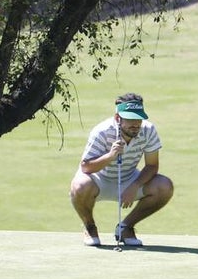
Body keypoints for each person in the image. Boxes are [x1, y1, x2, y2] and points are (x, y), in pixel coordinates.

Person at [70, 93, 174, 247]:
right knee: (79, 186)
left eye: (138, 119)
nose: (136, 124)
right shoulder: (102, 131)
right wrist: (111, 156)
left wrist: (134, 186)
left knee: (164, 186)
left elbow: (152, 166)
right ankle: (90, 227)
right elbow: (86, 167)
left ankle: (125, 228)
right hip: (98, 179)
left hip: (129, 178)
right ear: (118, 118)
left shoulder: (148, 130)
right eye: (130, 119)